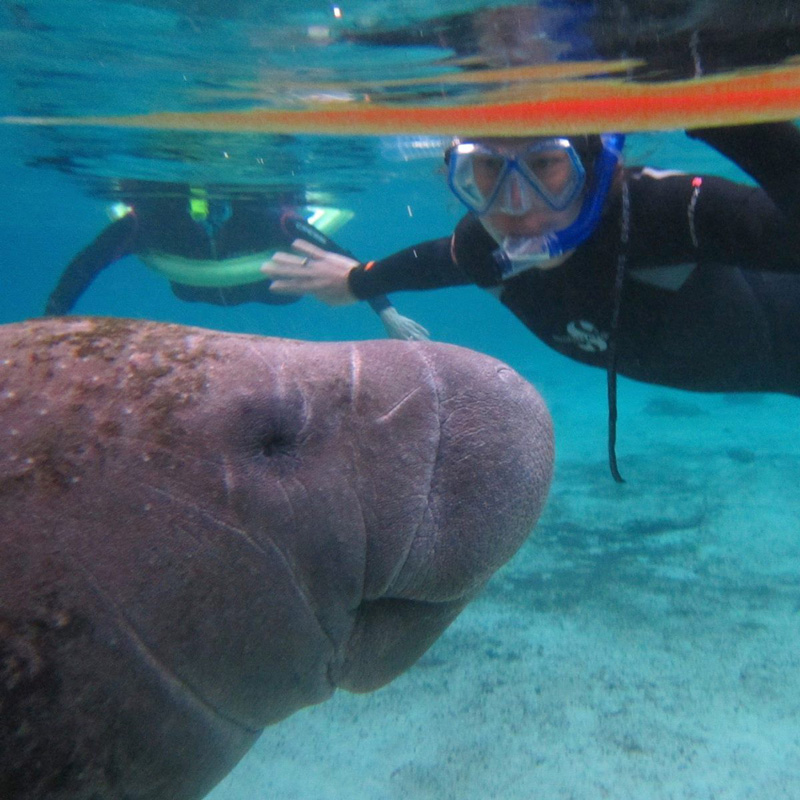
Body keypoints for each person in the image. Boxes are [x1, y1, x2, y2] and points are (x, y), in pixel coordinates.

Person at [261, 122, 800, 481]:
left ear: (594, 166)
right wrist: (359, 281)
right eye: (488, 172)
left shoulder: (662, 212)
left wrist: (722, 114)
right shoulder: (481, 248)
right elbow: (438, 261)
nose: (517, 209)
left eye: (545, 165)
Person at [44, 182, 428, 341]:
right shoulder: (148, 218)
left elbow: (341, 256)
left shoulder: (268, 218)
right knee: (189, 291)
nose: (209, 214)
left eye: (219, 206)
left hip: (268, 287)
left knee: (285, 290)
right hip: (192, 288)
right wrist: (53, 314)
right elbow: (87, 262)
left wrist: (386, 312)